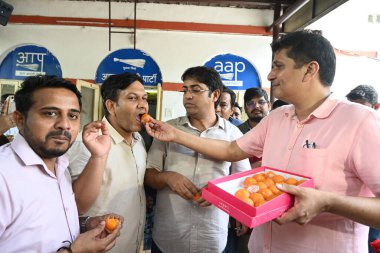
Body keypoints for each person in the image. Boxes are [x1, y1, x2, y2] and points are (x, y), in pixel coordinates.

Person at [144, 30, 380, 253]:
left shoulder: (359, 121)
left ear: (309, 70)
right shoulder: (278, 117)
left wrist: (328, 202)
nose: (270, 75)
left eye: (278, 66)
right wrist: (175, 135)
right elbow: (230, 150)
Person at [0, 75, 123, 253]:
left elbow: (36, 227)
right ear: (20, 119)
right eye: (50, 113)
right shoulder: (4, 174)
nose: (65, 125)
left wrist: (85, 224)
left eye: (72, 115)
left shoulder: (59, 164)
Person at [144, 66, 250, 253]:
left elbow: (243, 180)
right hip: (169, 237)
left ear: (215, 94)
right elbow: (149, 174)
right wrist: (168, 177)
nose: (188, 96)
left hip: (212, 237)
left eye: (196, 89)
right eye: (185, 90)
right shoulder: (167, 129)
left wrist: (220, 191)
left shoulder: (233, 134)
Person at [68, 72, 148, 253]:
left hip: (131, 244)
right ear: (111, 106)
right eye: (133, 98)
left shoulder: (139, 141)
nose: (143, 105)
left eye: (144, 98)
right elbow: (75, 205)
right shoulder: (87, 143)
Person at [346, 84, 380, 253]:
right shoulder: (344, 132)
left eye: (361, 107)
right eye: (352, 107)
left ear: (376, 107)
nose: (356, 114)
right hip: (351, 209)